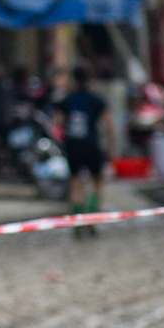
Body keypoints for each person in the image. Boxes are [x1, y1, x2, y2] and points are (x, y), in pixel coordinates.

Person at [58, 63, 111, 237]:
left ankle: (77, 222)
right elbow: (108, 124)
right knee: (98, 183)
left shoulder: (68, 99)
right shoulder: (96, 99)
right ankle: (91, 216)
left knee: (75, 184)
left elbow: (57, 121)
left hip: (73, 145)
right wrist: (111, 145)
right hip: (91, 145)